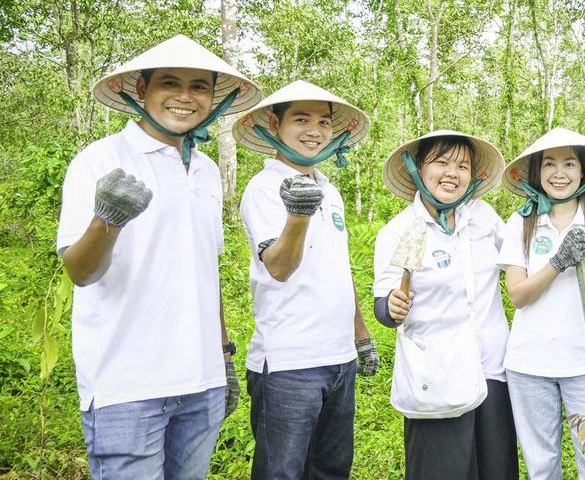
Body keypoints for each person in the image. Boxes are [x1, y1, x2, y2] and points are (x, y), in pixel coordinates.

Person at [56, 34, 262, 477]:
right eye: (170, 82)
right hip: (127, 388)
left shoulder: (207, 170)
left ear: (213, 99)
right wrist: (108, 219)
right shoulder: (100, 160)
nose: (185, 97)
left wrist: (224, 358)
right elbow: (80, 271)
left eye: (199, 87)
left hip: (202, 383)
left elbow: (205, 272)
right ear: (141, 89)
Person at [233, 80, 379, 479]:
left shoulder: (330, 190)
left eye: (323, 122)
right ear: (274, 125)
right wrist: (297, 213)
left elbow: (338, 267)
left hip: (339, 358)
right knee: (281, 472)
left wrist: (360, 333)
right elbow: (279, 267)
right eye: (301, 119)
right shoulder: (264, 188)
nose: (314, 130)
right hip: (289, 363)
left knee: (330, 469)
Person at [372, 130, 517, 480]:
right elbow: (384, 303)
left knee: (497, 470)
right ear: (418, 168)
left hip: (491, 368)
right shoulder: (401, 230)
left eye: (463, 166)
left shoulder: (483, 218)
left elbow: (519, 260)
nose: (452, 173)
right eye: (441, 162)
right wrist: (391, 306)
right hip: (437, 375)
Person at [497, 127, 585, 479]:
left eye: (569, 164)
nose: (559, 173)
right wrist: (557, 263)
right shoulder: (522, 221)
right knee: (542, 466)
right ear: (537, 172)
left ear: (583, 171)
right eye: (549, 164)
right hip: (529, 364)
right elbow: (518, 295)